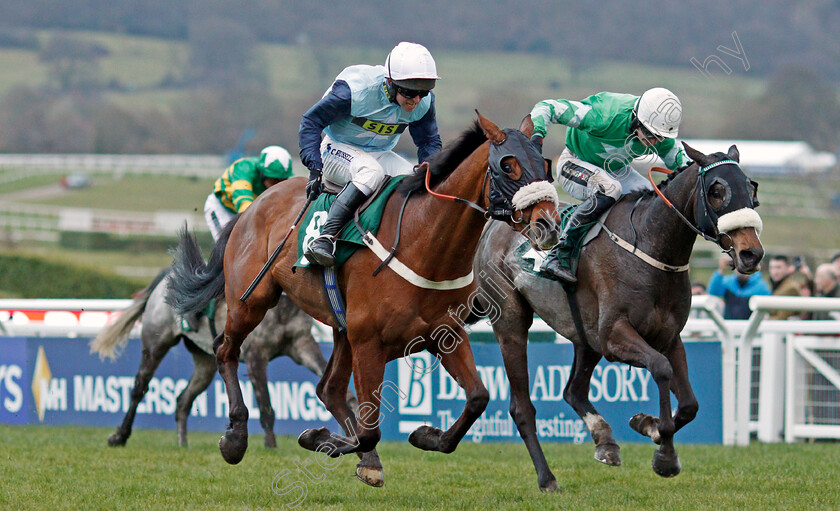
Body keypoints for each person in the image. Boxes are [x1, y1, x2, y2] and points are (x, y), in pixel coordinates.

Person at [299, 42, 442, 267]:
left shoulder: (423, 103)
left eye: (423, 92)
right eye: (411, 92)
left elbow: (428, 141)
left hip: (379, 153)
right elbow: (311, 121)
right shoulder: (354, 92)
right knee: (370, 172)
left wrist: (430, 165)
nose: (416, 100)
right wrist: (314, 167)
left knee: (414, 181)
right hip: (335, 148)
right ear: (389, 83)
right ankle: (325, 238)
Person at [529, 88, 691, 283]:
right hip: (573, 162)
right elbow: (546, 107)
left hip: (615, 170)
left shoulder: (657, 132)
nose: (653, 142)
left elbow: (686, 168)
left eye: (659, 137)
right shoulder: (604, 114)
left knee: (651, 198)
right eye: (649, 134)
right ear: (636, 118)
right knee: (610, 188)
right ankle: (559, 254)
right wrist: (536, 138)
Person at [204, 145, 294, 241]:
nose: (277, 186)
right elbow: (244, 203)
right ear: (262, 173)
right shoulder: (243, 168)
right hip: (222, 209)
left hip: (248, 213)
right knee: (227, 248)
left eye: (282, 181)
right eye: (273, 180)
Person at [707, 254, 771, 319]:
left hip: (751, 327)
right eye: (737, 264)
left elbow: (767, 310)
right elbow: (713, 293)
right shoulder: (728, 282)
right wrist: (721, 269)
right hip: (729, 326)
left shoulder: (761, 287)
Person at [767, 255, 805, 320]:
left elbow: (782, 318)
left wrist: (762, 320)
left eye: (778, 267)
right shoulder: (777, 285)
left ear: (788, 268)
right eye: (771, 268)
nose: (774, 272)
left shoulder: (790, 289)